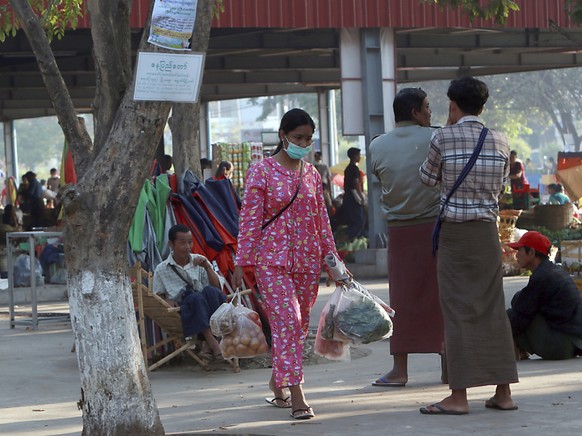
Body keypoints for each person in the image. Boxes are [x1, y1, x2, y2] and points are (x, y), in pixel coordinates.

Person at [232, 108, 341, 420]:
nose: (303, 143)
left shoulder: (310, 174)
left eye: (308, 138)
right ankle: (297, 395)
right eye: (297, 137)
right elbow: (250, 219)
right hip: (271, 262)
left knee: (298, 325)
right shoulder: (261, 171)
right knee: (289, 322)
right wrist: (242, 260)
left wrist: (333, 263)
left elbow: (322, 221)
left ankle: (277, 380)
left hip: (307, 263)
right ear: (283, 136)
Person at [419, 76, 518, 414]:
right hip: (487, 234)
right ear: (483, 106)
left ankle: (459, 396)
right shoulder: (500, 140)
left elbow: (427, 179)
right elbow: (502, 187)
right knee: (492, 309)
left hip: (456, 237)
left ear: (453, 105)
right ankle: (503, 392)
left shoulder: (442, 137)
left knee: (458, 311)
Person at [369, 87, 445, 387]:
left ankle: (400, 371)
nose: (430, 113)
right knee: (441, 296)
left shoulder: (377, 145)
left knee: (401, 298)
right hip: (435, 227)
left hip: (399, 231)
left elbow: (380, 177)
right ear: (415, 112)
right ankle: (448, 365)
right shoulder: (437, 138)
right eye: (427, 107)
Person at [153, 224, 226, 360]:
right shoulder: (162, 269)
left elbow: (217, 288)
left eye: (190, 242)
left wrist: (207, 268)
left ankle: (207, 344)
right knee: (195, 298)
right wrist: (166, 300)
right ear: (171, 244)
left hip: (207, 305)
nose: (187, 246)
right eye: (182, 243)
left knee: (210, 291)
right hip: (184, 308)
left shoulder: (199, 260)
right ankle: (213, 343)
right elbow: (157, 294)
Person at [507, 231, 582, 360]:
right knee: (521, 306)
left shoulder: (543, 277)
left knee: (508, 316)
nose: (516, 255)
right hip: (573, 344)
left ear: (531, 252)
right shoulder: (552, 271)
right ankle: (520, 349)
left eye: (519, 250)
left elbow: (520, 315)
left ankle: (514, 353)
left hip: (560, 346)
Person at [335, 147, 366, 239]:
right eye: (358, 155)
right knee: (358, 220)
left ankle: (347, 238)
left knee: (353, 220)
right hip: (353, 198)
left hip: (348, 197)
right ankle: (348, 238)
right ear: (354, 156)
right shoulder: (354, 168)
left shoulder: (348, 168)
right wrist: (362, 196)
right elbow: (355, 183)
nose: (359, 157)